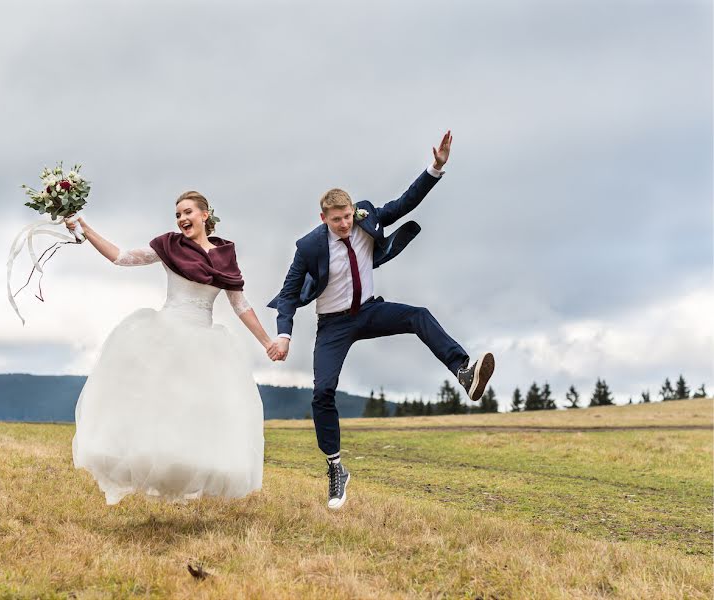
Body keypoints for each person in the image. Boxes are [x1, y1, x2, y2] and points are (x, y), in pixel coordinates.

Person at [267, 131, 495, 509]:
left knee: (418, 316)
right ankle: (336, 469)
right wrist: (285, 334)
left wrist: (435, 167)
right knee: (322, 392)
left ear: (353, 210)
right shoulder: (309, 247)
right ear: (322, 218)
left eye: (347, 217)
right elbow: (290, 292)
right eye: (336, 220)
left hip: (370, 311)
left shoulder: (365, 217)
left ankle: (463, 371)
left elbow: (405, 203)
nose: (344, 225)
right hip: (334, 326)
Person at [67, 191, 271, 504]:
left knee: (198, 413)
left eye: (187, 212)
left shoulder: (225, 257)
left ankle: (190, 475)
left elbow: (240, 305)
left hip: (205, 342)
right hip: (167, 333)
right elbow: (121, 257)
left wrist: (267, 341)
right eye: (177, 214)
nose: (181, 219)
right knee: (157, 409)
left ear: (205, 215)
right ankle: (144, 466)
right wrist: (85, 228)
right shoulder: (169, 247)